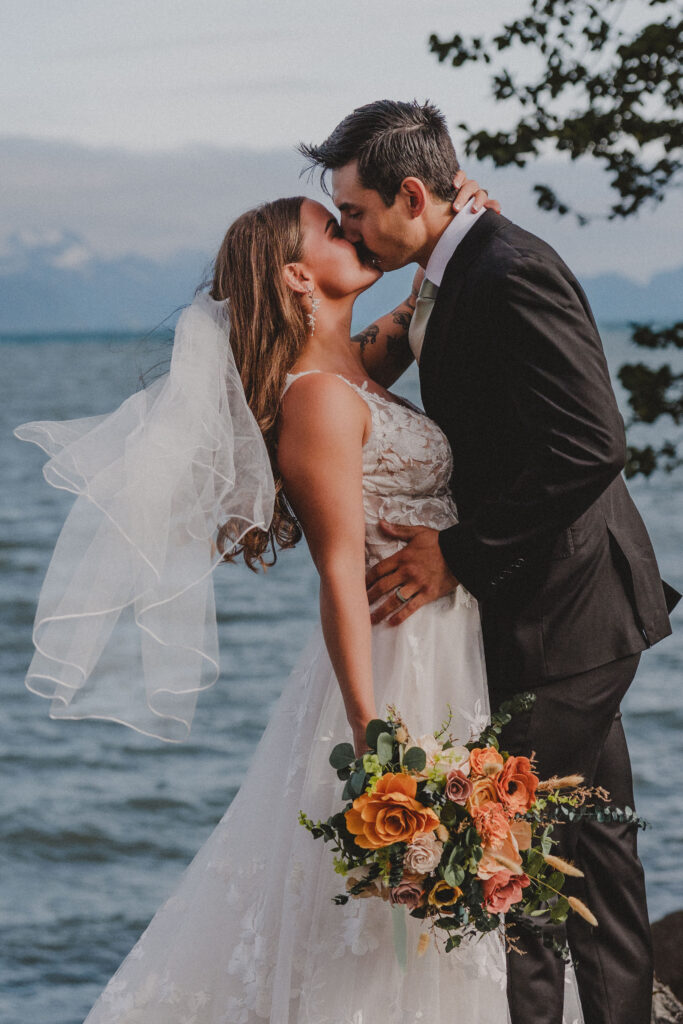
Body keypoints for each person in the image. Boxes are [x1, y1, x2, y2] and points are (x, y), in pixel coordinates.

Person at [16, 179, 551, 1022]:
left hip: (448, 632)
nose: (353, 234)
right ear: (299, 278)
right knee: (387, 900)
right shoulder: (314, 400)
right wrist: (374, 730)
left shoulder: (359, 365)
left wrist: (459, 224)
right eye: (332, 230)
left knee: (440, 890)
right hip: (396, 648)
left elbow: (420, 298)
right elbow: (339, 572)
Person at [299, 98, 681, 1024]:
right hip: (560, 612)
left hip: (563, 614)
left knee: (503, 861)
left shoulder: (504, 271)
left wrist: (459, 555)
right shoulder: (462, 266)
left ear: (412, 194)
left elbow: (591, 443)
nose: (349, 227)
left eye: (353, 212)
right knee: (592, 852)